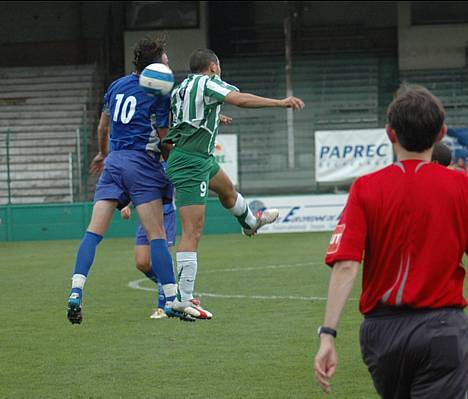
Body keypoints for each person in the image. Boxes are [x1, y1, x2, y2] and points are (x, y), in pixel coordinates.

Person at [314, 84, 468, 398]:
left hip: (382, 336)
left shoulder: (366, 188)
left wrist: (328, 336)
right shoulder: (461, 186)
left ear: (389, 133)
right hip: (443, 330)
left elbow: (346, 267)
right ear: (441, 134)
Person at [162, 48, 305, 319]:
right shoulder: (209, 82)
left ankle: (250, 223)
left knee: (228, 191)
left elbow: (184, 120)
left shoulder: (182, 88)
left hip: (198, 157)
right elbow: (239, 100)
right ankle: (183, 298)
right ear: (213, 66)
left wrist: (217, 117)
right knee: (193, 231)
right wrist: (280, 102)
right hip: (190, 162)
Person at [66, 37, 187, 324]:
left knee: (93, 233)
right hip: (140, 164)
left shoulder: (117, 85)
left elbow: (102, 126)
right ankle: (172, 299)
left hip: (114, 163)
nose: (168, 62)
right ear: (157, 64)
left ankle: (75, 290)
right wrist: (173, 164)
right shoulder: (159, 91)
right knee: (156, 234)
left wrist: (103, 154)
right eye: (166, 59)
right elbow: (163, 137)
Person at [120, 162, 176, 319]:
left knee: (162, 260)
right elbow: (137, 186)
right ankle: (170, 286)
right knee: (142, 262)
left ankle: (163, 306)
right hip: (146, 216)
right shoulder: (143, 161)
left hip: (166, 215)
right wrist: (126, 204)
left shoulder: (169, 163)